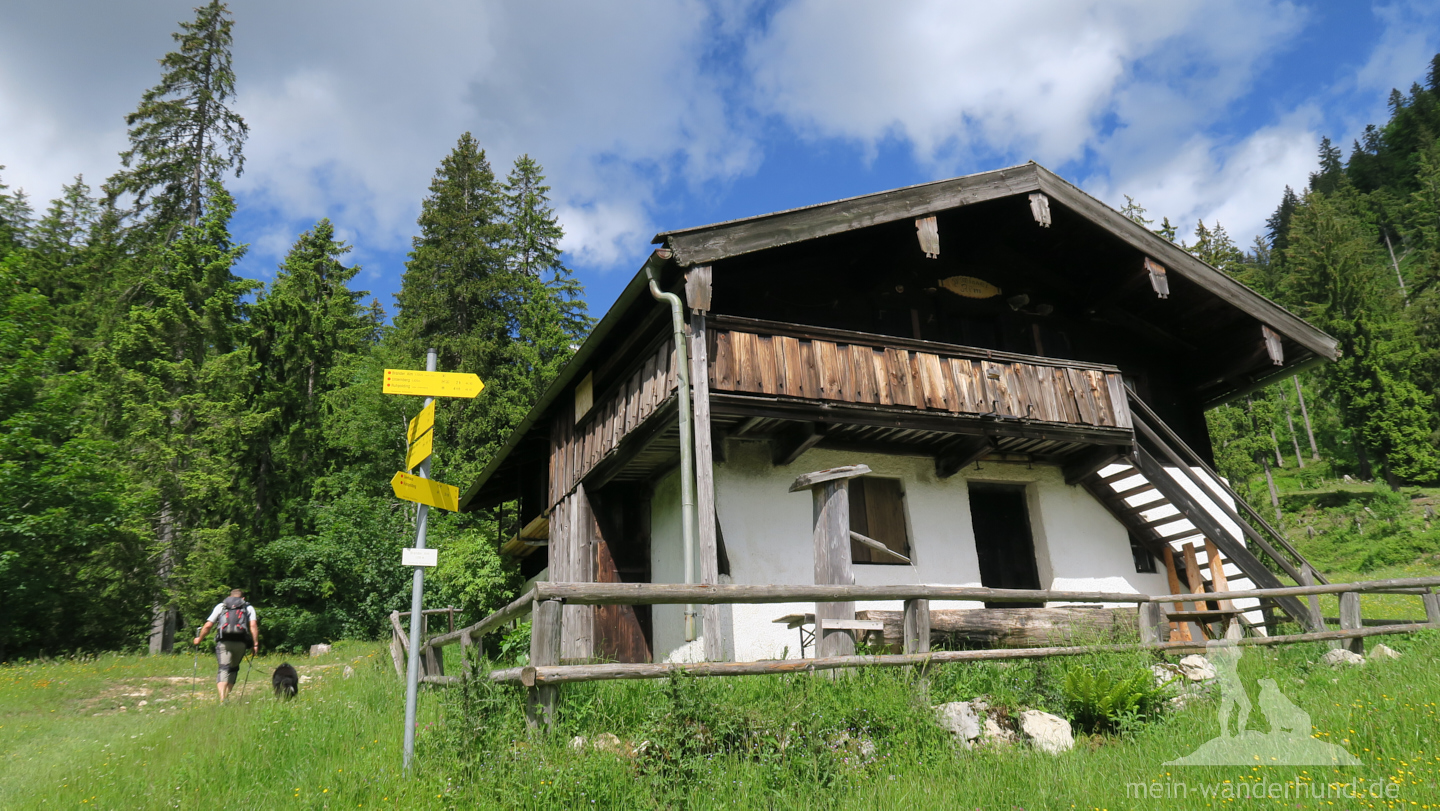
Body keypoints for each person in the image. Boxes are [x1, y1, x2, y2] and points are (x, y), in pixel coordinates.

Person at [193, 589, 259, 701]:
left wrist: (199, 639)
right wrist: (255, 644)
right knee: (233, 669)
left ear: (229, 596)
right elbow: (253, 625)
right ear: (243, 598)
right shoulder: (248, 608)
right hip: (241, 643)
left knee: (223, 668)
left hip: (224, 641)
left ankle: (222, 699)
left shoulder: (221, 606)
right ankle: (227, 696)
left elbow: (208, 625)